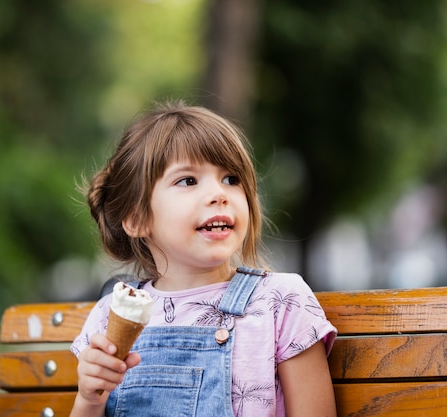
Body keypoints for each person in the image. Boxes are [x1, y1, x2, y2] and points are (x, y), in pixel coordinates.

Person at [70, 100, 337, 417]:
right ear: (137, 218)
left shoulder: (279, 303)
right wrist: (90, 399)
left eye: (231, 179)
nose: (219, 193)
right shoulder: (107, 318)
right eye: (188, 181)